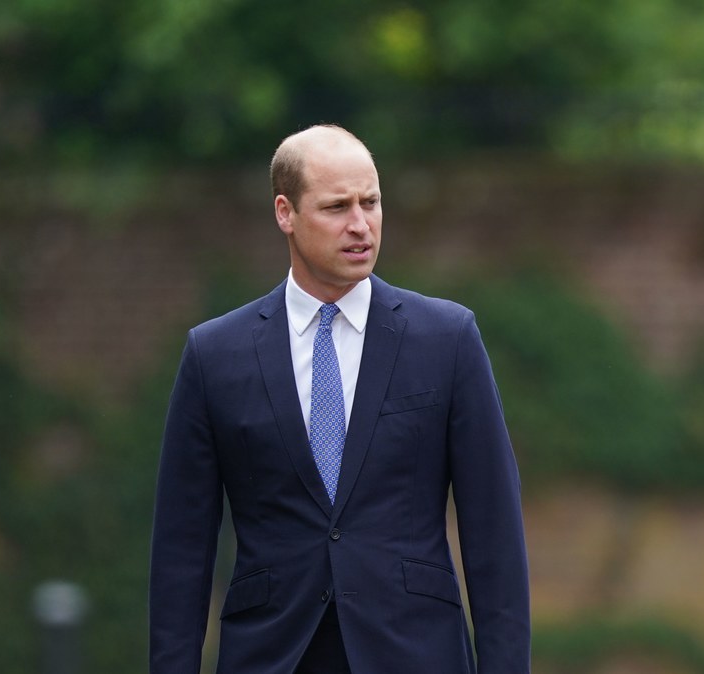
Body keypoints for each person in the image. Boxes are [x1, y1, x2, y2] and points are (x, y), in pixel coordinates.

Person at [149, 124, 531, 673]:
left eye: (371, 203)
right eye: (336, 207)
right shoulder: (214, 355)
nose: (360, 225)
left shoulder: (447, 338)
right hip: (272, 654)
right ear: (286, 213)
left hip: (417, 653)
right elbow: (181, 553)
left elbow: (494, 532)